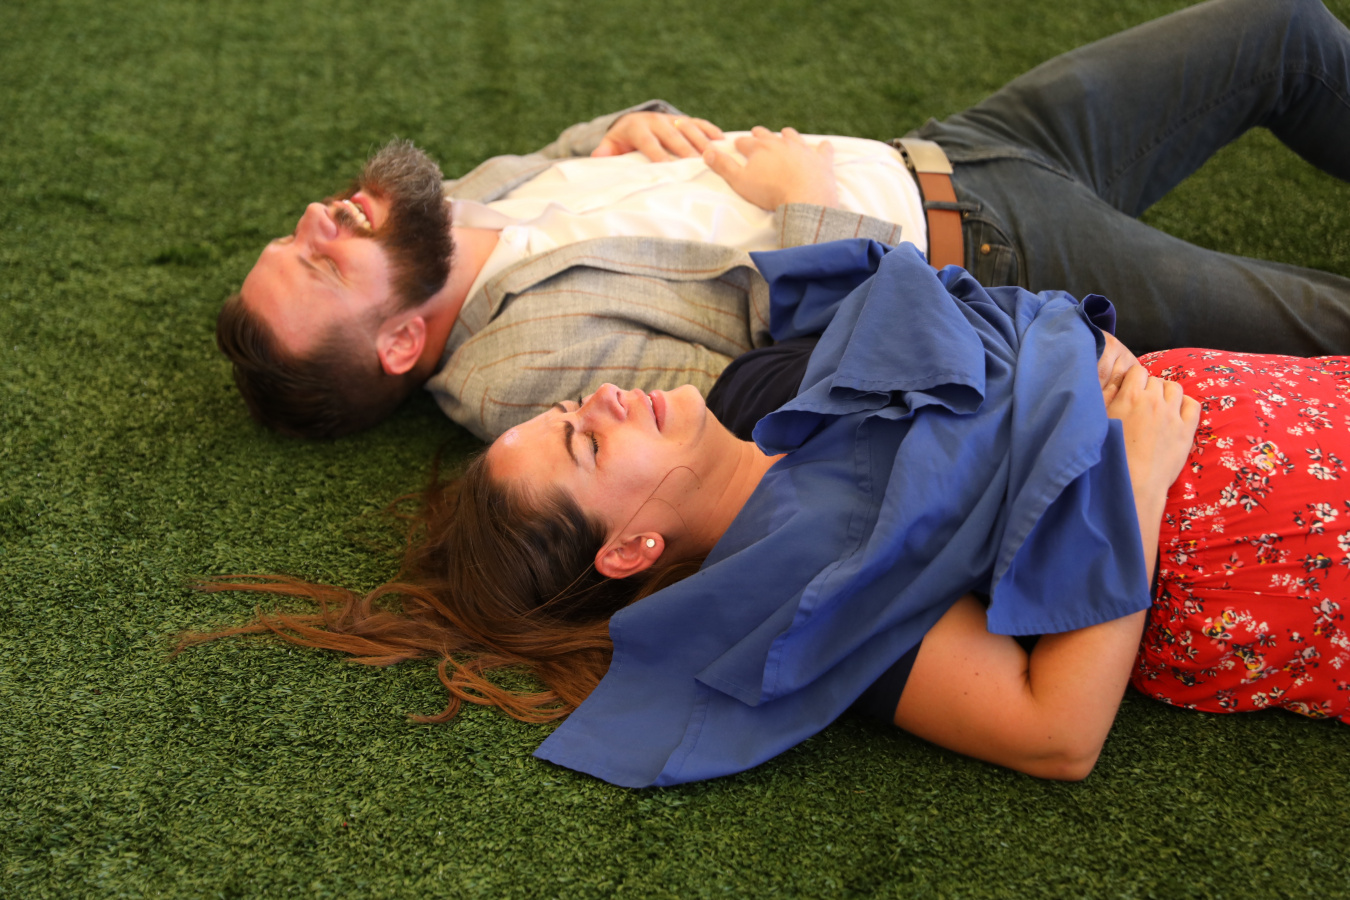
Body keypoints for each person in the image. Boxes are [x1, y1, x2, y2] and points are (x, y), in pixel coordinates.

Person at [187, 240, 1350, 788]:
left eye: (570, 411)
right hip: (1266, 539)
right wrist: (1135, 478)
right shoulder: (798, 594)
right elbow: (1056, 734)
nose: (600, 401)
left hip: (1262, 404)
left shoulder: (784, 408)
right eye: (587, 443)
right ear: (632, 547)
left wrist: (1073, 351)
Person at [217, 0, 1350, 442]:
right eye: (320, 265)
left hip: (958, 149)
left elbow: (580, 151)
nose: (317, 219)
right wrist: (800, 198)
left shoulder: (452, 215)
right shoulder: (521, 370)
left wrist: (628, 128)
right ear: (399, 343)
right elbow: (801, 380)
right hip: (997, 256)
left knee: (1283, 30)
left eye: (294, 235)